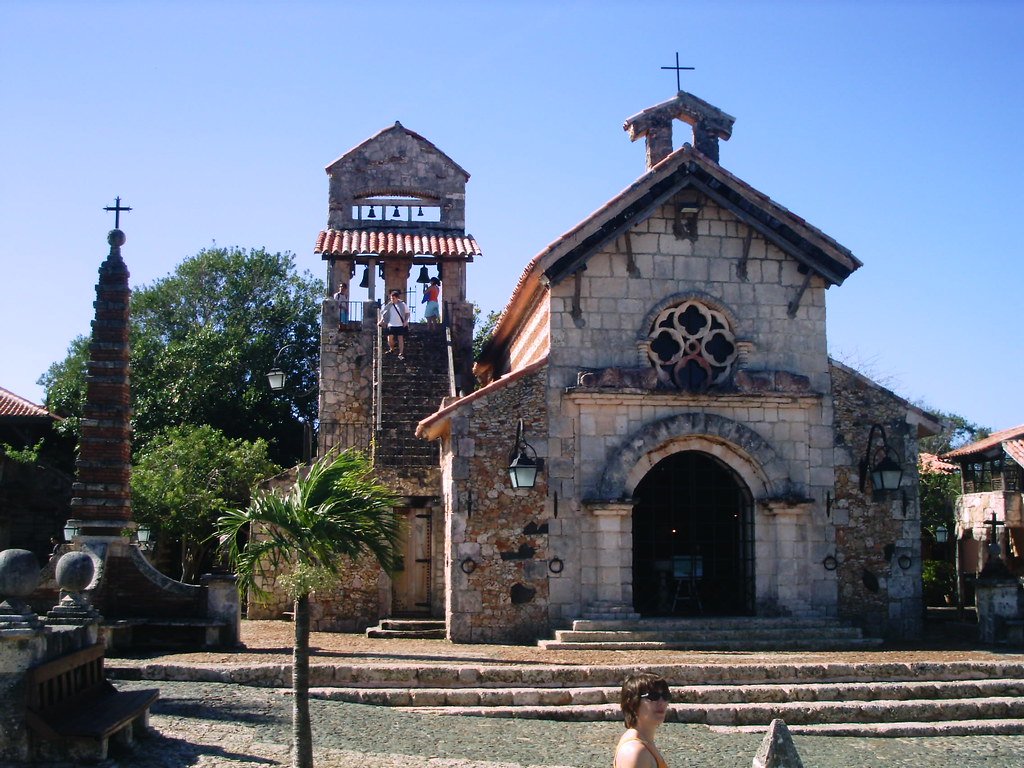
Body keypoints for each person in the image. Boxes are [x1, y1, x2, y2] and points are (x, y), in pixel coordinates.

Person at [614, 673, 671, 768]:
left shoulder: (645, 741)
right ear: (632, 703)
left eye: (665, 696)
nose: (662, 702)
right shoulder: (635, 751)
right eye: (653, 696)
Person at [380, 289, 410, 359]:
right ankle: (392, 349)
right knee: (389, 338)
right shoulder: (389, 305)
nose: (392, 300)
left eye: (393, 298)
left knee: (400, 339)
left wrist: (406, 321)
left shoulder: (402, 304)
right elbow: (384, 314)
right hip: (391, 324)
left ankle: (401, 353)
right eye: (391, 298)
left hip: (400, 324)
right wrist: (381, 321)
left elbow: (407, 313)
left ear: (397, 298)